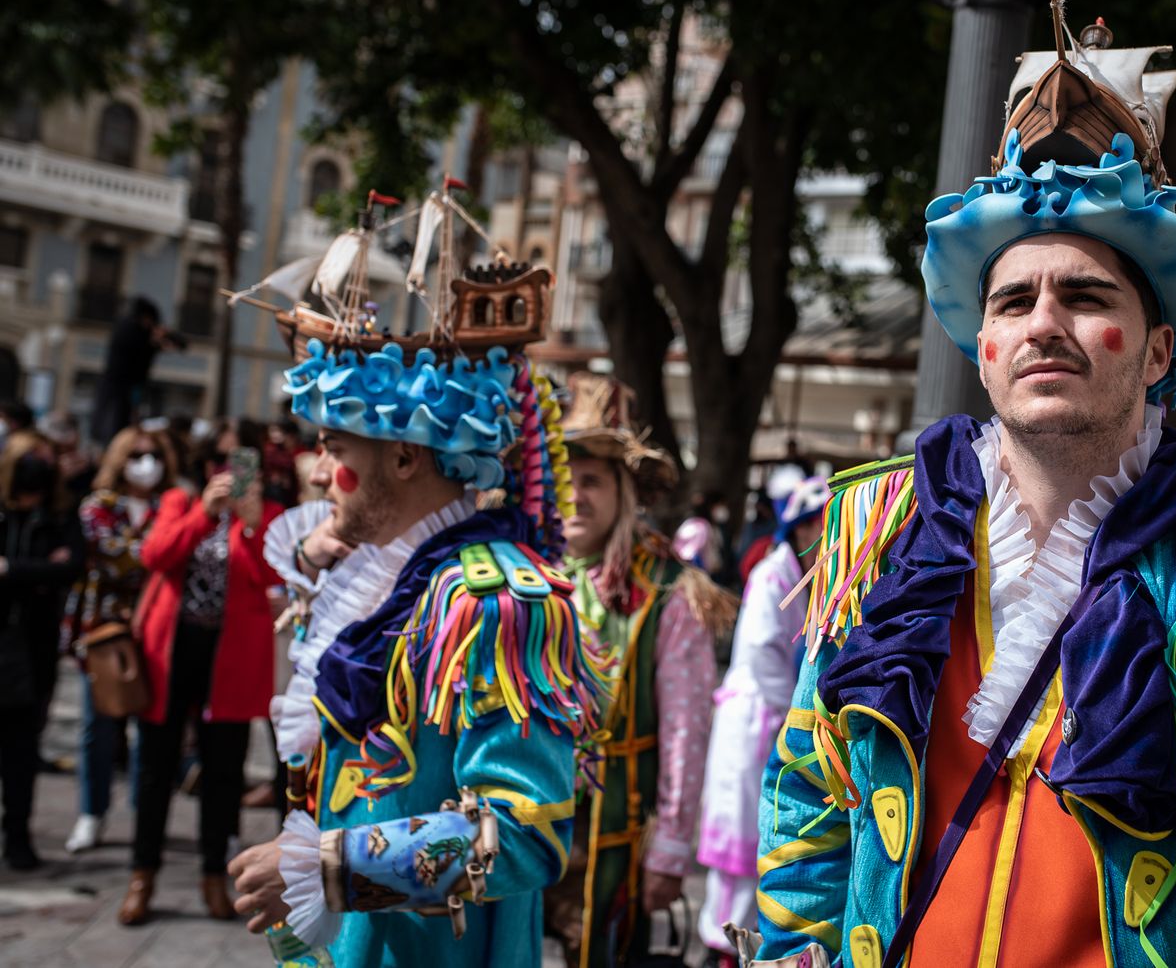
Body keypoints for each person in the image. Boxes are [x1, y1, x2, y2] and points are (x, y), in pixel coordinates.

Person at [749, 17, 1176, 967]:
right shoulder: (879, 544)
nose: (1044, 324)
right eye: (1011, 301)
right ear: (982, 352)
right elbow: (811, 810)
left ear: (1158, 351)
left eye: (1086, 296)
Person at [227, 334, 604, 966]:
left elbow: (525, 834)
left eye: (335, 448)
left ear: (404, 456)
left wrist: (334, 868)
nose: (318, 475)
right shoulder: (380, 584)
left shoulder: (496, 602)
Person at [544, 371, 730, 967]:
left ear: (625, 491)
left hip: (611, 839)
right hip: (521, 826)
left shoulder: (670, 593)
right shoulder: (524, 578)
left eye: (592, 480)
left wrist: (671, 851)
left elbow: (685, 733)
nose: (575, 496)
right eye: (563, 480)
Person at [118, 418, 282, 924]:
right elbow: (154, 555)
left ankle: (216, 875)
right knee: (155, 770)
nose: (226, 473)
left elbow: (272, 581)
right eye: (218, 461)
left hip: (229, 660)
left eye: (237, 462)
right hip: (171, 655)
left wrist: (251, 524)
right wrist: (203, 515)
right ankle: (142, 875)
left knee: (224, 774)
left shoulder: (270, 515)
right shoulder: (179, 503)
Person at [698, 476, 830, 963]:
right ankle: (724, 946)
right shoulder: (772, 576)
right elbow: (762, 660)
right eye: (817, 525)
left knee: (770, 848)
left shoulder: (810, 574)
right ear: (797, 530)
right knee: (743, 852)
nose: (825, 535)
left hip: (778, 721)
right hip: (758, 723)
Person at [61, 422, 181, 854]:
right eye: (135, 455)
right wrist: (156, 551)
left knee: (148, 729)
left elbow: (168, 555)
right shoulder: (98, 505)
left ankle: (141, 814)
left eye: (153, 455)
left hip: (154, 631)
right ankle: (91, 813)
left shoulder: (171, 504)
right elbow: (124, 558)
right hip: (103, 633)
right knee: (99, 726)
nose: (145, 465)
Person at [0, 431, 84, 869]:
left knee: (20, 748)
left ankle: (17, 835)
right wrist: (35, 571)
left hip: (32, 653)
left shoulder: (59, 514)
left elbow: (70, 567)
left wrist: (11, 569)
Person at [91, 297, 183, 446]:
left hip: (129, 385)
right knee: (116, 421)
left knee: (122, 419)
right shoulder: (130, 331)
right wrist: (155, 342)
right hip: (121, 385)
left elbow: (179, 343)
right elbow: (138, 350)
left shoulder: (136, 331)